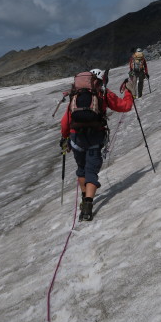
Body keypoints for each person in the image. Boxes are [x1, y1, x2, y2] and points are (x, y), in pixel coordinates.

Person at [60, 69, 134, 221]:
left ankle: (83, 197)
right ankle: (87, 207)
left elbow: (65, 121)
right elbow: (125, 106)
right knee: (91, 170)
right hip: (94, 137)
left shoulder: (76, 95)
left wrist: (65, 137)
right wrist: (128, 93)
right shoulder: (103, 94)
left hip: (76, 137)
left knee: (82, 169)